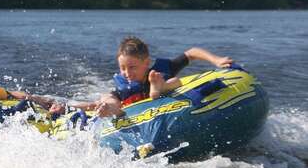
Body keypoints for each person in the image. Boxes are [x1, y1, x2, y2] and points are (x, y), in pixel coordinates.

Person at [94, 36, 233, 117]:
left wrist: (216, 60)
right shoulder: (126, 85)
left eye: (132, 67)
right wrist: (107, 105)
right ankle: (111, 109)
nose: (127, 73)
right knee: (108, 97)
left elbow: (191, 53)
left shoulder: (159, 72)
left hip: (163, 85)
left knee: (174, 81)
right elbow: (113, 96)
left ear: (147, 62)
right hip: (132, 104)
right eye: (122, 68)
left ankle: (159, 88)